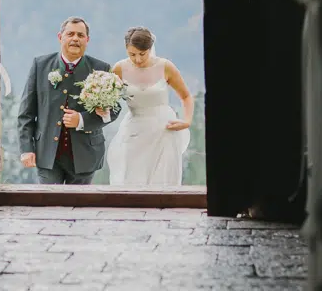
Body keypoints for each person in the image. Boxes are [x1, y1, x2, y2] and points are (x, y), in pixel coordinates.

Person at [17, 16, 121, 185]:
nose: (75, 39)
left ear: (87, 40)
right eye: (70, 34)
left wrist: (81, 120)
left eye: (80, 35)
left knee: (79, 207)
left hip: (86, 155)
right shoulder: (40, 65)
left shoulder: (101, 69)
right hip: (47, 154)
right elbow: (26, 113)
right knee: (51, 205)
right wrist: (26, 149)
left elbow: (115, 110)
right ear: (60, 37)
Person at [107, 26, 194, 188]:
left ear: (150, 49)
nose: (138, 60)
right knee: (131, 178)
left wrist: (187, 121)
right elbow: (109, 99)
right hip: (135, 129)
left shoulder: (165, 66)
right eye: (132, 54)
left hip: (164, 129)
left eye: (142, 54)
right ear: (126, 49)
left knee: (164, 181)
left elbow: (186, 96)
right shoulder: (119, 68)